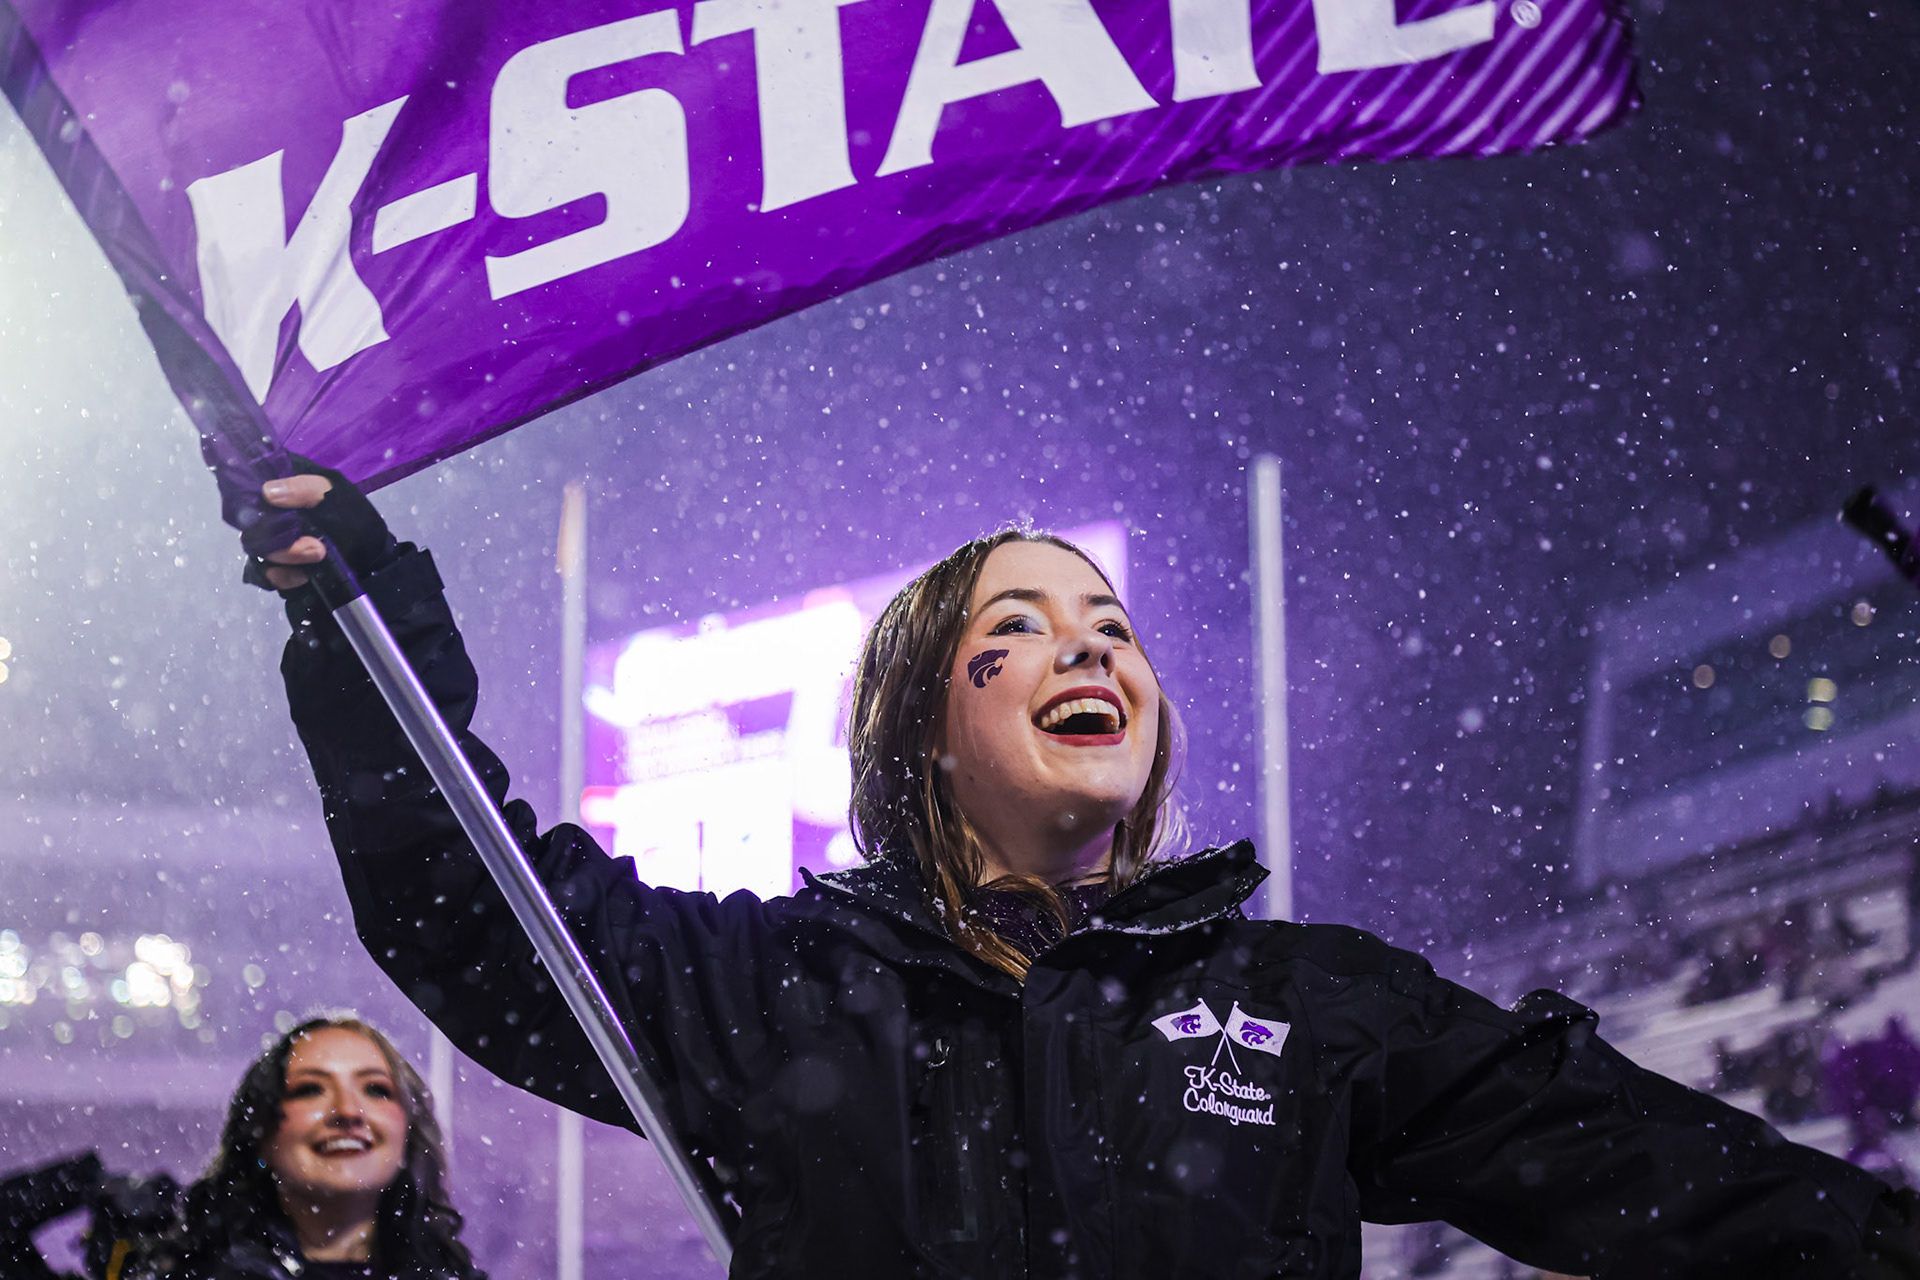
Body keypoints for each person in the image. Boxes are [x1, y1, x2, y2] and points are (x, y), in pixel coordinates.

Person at [252, 464, 1920, 1278]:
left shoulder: (1313, 1002)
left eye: (1113, 626)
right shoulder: (768, 996)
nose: (1091, 646)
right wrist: (361, 618)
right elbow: (468, 912)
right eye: (1023, 627)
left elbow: (1670, 1182)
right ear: (924, 728)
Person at [0, 1014, 481, 1280]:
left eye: (376, 1089)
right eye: (310, 1089)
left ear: (406, 1131)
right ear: (265, 1133)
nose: (348, 1111)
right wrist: (86, 1180)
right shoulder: (180, 1272)